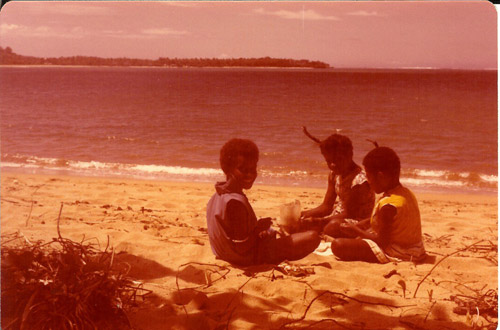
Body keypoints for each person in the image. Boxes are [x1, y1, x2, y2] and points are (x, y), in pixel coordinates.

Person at [206, 138, 320, 266]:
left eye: (253, 169)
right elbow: (241, 247)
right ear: (228, 169)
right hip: (246, 257)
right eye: (243, 170)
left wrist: (257, 229)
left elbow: (234, 234)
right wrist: (258, 230)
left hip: (224, 253)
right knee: (312, 237)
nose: (250, 174)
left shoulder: (217, 196)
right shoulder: (235, 203)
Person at [330, 146, 427, 263]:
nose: (368, 182)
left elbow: (382, 241)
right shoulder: (405, 193)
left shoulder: (389, 206)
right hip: (416, 249)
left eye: (369, 177)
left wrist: (356, 230)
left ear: (381, 177)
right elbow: (384, 222)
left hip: (398, 251)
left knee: (338, 245)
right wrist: (360, 225)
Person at [300, 132, 375, 237]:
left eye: (337, 160)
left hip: (358, 222)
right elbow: (326, 206)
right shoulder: (334, 175)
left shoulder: (359, 181)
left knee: (332, 227)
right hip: (337, 216)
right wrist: (304, 214)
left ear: (350, 155)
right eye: (328, 161)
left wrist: (319, 221)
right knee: (298, 220)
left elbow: (350, 213)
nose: (332, 165)